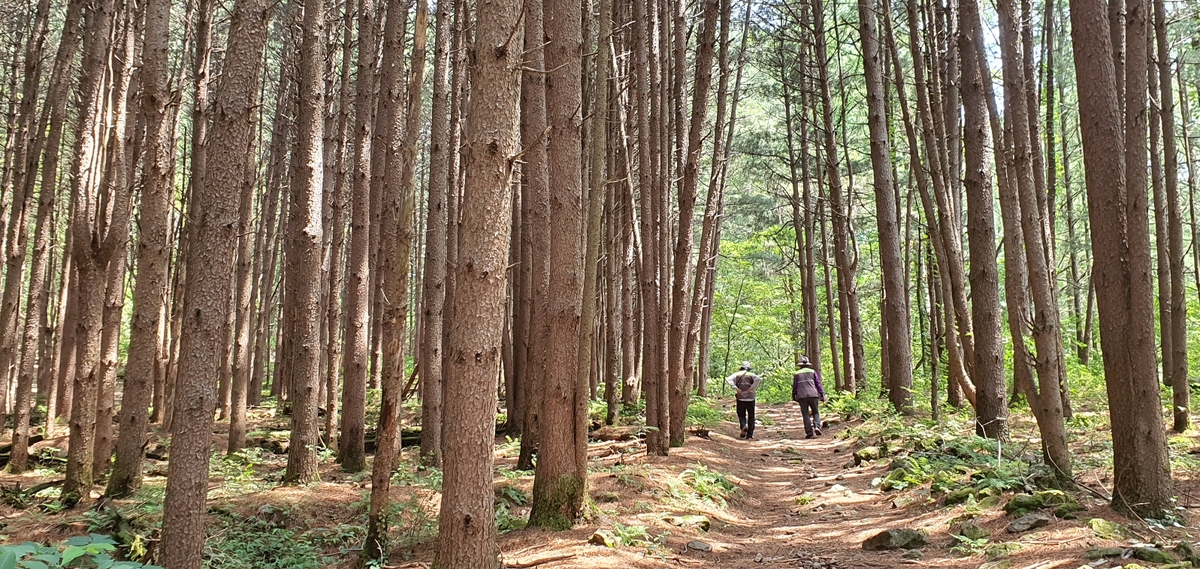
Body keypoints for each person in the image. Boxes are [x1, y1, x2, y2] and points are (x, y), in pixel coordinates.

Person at [726, 361, 762, 439]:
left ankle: (743, 426)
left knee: (741, 414)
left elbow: (728, 379)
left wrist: (736, 388)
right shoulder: (752, 375)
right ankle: (750, 435)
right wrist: (752, 388)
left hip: (740, 398)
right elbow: (758, 379)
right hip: (750, 398)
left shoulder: (736, 374)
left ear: (741, 367)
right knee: (751, 416)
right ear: (749, 368)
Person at [792, 356, 825, 439]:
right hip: (813, 395)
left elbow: (795, 386)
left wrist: (793, 395)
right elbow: (818, 384)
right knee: (815, 411)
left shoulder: (797, 374)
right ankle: (817, 426)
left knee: (805, 414)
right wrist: (822, 394)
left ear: (800, 365)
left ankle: (809, 433)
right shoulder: (813, 372)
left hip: (802, 396)